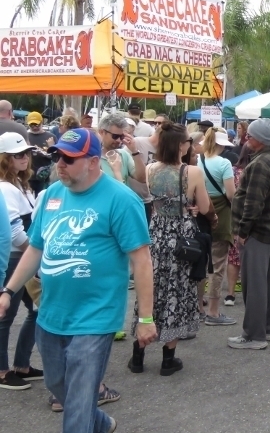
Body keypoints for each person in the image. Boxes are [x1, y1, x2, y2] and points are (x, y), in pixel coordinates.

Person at [0, 128, 156, 433]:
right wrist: (7, 291)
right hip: (51, 314)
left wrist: (146, 318)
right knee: (58, 384)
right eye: (58, 155)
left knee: (80, 402)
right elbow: (35, 248)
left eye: (70, 158)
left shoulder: (121, 200)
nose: (60, 163)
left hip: (95, 318)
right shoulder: (52, 195)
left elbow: (142, 261)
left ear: (93, 162)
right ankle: (99, 423)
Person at [128, 121, 215, 375]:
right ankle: (168, 358)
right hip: (181, 236)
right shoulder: (192, 172)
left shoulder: (151, 169)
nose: (190, 145)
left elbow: (153, 201)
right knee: (176, 290)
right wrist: (199, 210)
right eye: (188, 141)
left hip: (156, 233)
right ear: (180, 146)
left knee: (150, 290)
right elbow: (205, 206)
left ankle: (138, 355)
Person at [229, 119, 270, 350]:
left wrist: (243, 231)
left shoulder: (261, 163)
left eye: (250, 136)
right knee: (266, 283)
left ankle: (254, 335)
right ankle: (268, 328)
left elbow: (253, 203)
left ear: (260, 139)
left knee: (254, 286)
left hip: (257, 231)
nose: (246, 139)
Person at [0, 133, 41, 390]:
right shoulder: (6, 187)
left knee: (37, 310)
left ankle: (21, 365)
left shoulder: (19, 185)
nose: (25, 157)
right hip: (16, 258)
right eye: (18, 154)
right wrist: (36, 252)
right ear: (5, 159)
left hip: (23, 256)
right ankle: (3, 370)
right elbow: (14, 233)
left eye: (27, 153)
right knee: (7, 316)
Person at [198, 128, 237, 326]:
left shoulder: (195, 160)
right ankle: (213, 311)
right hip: (221, 215)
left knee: (199, 264)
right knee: (217, 264)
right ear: (221, 145)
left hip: (200, 215)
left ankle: (198, 307)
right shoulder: (224, 163)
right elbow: (231, 194)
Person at [224, 144, 253, 307]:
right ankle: (251, 293)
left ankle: (230, 293)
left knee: (233, 257)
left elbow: (228, 193)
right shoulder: (256, 171)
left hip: (233, 216)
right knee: (252, 257)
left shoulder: (233, 171)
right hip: (252, 217)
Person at [98, 113, 146, 191]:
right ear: (102, 132)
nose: (119, 140)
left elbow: (142, 178)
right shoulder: (93, 158)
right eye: (115, 136)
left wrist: (134, 151)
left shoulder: (123, 154)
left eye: (121, 136)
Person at [26, 112, 55, 195]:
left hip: (45, 177)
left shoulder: (50, 136)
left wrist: (52, 148)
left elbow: (56, 158)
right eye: (32, 125)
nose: (34, 127)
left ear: (42, 123)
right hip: (28, 176)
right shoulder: (25, 136)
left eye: (37, 125)